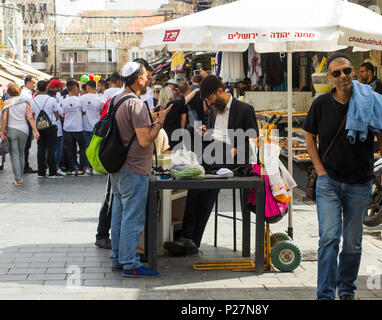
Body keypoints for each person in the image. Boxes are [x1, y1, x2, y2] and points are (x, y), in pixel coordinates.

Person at [302, 53, 382, 300]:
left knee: (353, 243)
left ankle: (346, 291)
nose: (344, 76)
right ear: (330, 78)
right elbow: (309, 137)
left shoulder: (371, 101)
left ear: (353, 72)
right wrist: (320, 171)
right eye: (337, 73)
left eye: (347, 71)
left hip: (360, 183)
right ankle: (325, 295)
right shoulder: (321, 104)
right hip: (328, 182)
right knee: (329, 238)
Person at [163, 75, 258, 255]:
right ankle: (188, 238)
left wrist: (236, 150)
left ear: (220, 91)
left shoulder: (244, 109)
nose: (209, 104)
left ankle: (190, 239)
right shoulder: (214, 110)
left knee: (203, 186)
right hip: (213, 153)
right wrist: (206, 133)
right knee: (195, 184)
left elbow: (253, 139)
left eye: (210, 99)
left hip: (233, 159)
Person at [109, 61, 172, 277]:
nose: (148, 80)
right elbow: (145, 140)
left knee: (119, 215)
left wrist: (149, 120)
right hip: (134, 169)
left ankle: (117, 258)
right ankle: (130, 264)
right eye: (146, 76)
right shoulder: (135, 104)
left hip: (118, 168)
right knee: (133, 218)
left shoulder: (117, 99)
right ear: (138, 79)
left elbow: (130, 129)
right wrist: (159, 122)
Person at [0, 84, 40, 185]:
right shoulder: (25, 103)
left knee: (14, 154)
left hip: (11, 130)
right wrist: (35, 130)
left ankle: (18, 179)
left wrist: (2, 132)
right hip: (24, 131)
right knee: (21, 153)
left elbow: (4, 119)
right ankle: (20, 176)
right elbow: (30, 118)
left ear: (9, 92)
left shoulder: (7, 103)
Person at [30, 80, 63, 178]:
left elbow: (32, 114)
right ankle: (52, 171)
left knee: (40, 149)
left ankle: (41, 171)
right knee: (51, 149)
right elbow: (57, 113)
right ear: (47, 88)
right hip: (51, 126)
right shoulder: (51, 100)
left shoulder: (33, 100)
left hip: (39, 127)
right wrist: (55, 119)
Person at [61, 80, 87, 176]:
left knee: (69, 148)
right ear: (75, 88)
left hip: (67, 128)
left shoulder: (64, 101)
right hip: (78, 127)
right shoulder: (80, 100)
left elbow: (62, 113)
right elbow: (84, 112)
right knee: (82, 147)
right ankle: (81, 168)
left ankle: (71, 168)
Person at [80, 80, 102, 174]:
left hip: (84, 126)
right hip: (95, 127)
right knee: (95, 148)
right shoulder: (99, 99)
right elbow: (101, 112)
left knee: (86, 147)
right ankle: (94, 166)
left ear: (87, 88)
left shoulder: (81, 98)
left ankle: (87, 167)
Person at [21, 75, 38, 174]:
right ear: (28, 82)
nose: (34, 85)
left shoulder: (26, 93)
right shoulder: (25, 94)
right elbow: (29, 112)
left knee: (26, 145)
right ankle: (24, 166)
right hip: (26, 121)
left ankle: (24, 165)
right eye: (33, 82)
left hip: (25, 121)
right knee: (25, 145)